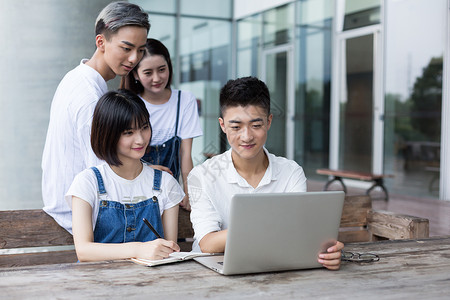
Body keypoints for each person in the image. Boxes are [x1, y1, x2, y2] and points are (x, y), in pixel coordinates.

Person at [188, 77, 344, 270]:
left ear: (269, 121)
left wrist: (327, 252)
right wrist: (271, 227)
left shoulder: (291, 172)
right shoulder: (202, 176)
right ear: (222, 125)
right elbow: (207, 243)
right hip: (213, 271)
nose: (246, 136)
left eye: (256, 125)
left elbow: (297, 232)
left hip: (276, 267)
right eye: (236, 127)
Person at [42, 2, 150, 233]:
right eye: (126, 48)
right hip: (84, 218)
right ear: (101, 42)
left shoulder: (76, 78)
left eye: (141, 50)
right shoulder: (90, 98)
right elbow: (103, 169)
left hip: (75, 210)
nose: (134, 58)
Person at [67, 89, 183, 262]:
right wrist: (138, 249)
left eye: (144, 128)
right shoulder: (87, 182)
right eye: (128, 133)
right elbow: (83, 251)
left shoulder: (166, 183)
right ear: (108, 135)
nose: (141, 140)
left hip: (151, 283)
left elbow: (169, 249)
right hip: (97, 283)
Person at [121, 38, 202, 211]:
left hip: (169, 194)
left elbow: (186, 155)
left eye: (162, 70)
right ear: (135, 74)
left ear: (169, 67)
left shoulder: (184, 100)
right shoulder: (127, 103)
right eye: (148, 72)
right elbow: (118, 154)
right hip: (131, 193)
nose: (157, 78)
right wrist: (147, 169)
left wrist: (189, 194)